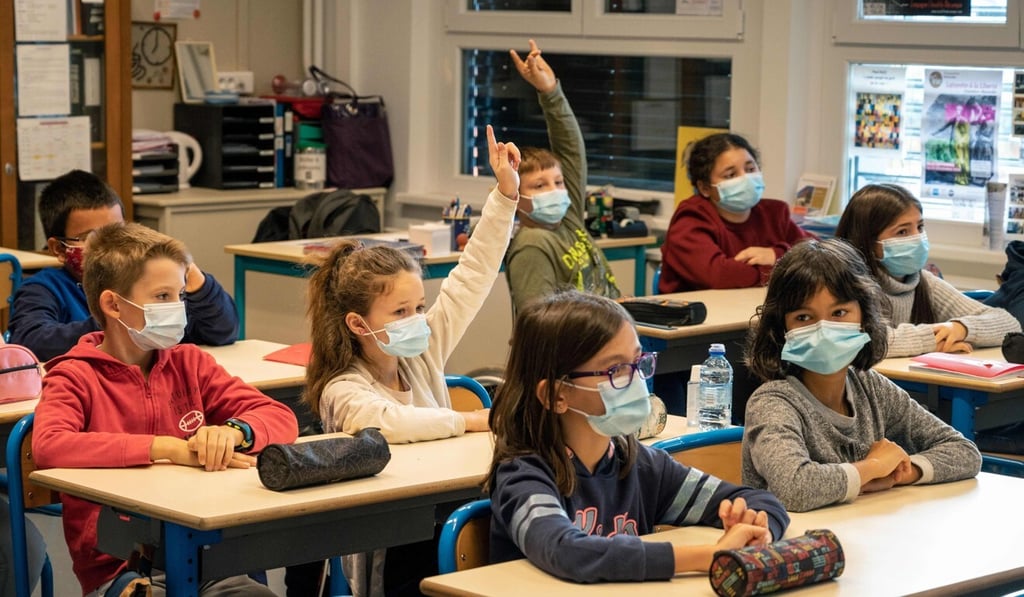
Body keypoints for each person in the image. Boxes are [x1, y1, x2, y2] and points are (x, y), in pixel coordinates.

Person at [302, 124, 519, 596]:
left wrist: (505, 196)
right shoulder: (343, 388)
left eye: (419, 307)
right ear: (358, 324)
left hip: (442, 506)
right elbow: (390, 424)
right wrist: (473, 420)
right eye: (400, 311)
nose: (417, 319)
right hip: (387, 542)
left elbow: (473, 275)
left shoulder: (421, 350)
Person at [32, 222, 299, 597]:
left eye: (178, 296)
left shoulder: (189, 362)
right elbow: (49, 445)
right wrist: (165, 448)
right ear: (113, 304)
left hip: (209, 558)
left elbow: (280, 417)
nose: (176, 308)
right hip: (121, 569)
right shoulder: (75, 375)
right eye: (161, 296)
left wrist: (235, 431)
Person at [486, 290, 789, 583]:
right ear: (556, 395)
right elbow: (566, 552)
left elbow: (759, 500)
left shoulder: (639, 465)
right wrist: (709, 556)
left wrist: (757, 528)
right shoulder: (523, 476)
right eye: (616, 369)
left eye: (637, 362)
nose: (637, 380)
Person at [742, 238, 981, 513]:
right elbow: (795, 488)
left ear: (863, 317)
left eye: (839, 313)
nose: (824, 329)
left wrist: (905, 471)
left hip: (862, 534)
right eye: (804, 318)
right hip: (797, 547)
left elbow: (963, 451)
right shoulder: (773, 403)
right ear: (780, 329)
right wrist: (873, 467)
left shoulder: (871, 388)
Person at [8, 169, 239, 361]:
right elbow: (31, 343)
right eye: (91, 237)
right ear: (59, 248)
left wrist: (193, 278)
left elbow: (223, 331)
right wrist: (118, 323)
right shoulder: (44, 288)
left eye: (118, 231)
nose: (110, 244)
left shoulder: (152, 283)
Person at [834, 183, 1019, 357]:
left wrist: (960, 328)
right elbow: (860, 341)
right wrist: (932, 340)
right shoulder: (844, 284)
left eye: (920, 227)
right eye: (902, 232)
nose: (917, 238)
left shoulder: (923, 282)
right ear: (867, 242)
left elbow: (1009, 324)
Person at [504, 39, 619, 314]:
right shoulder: (533, 244)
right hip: (570, 353)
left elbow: (571, 151)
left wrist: (550, 91)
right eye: (540, 186)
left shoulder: (568, 219)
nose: (554, 191)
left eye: (558, 182)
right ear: (517, 198)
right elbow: (540, 323)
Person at [658, 132, 812, 294]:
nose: (746, 178)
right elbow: (719, 276)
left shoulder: (774, 212)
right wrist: (785, 264)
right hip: (698, 315)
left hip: (754, 310)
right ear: (704, 188)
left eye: (750, 169)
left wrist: (777, 255)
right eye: (731, 175)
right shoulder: (691, 218)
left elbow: (816, 254)